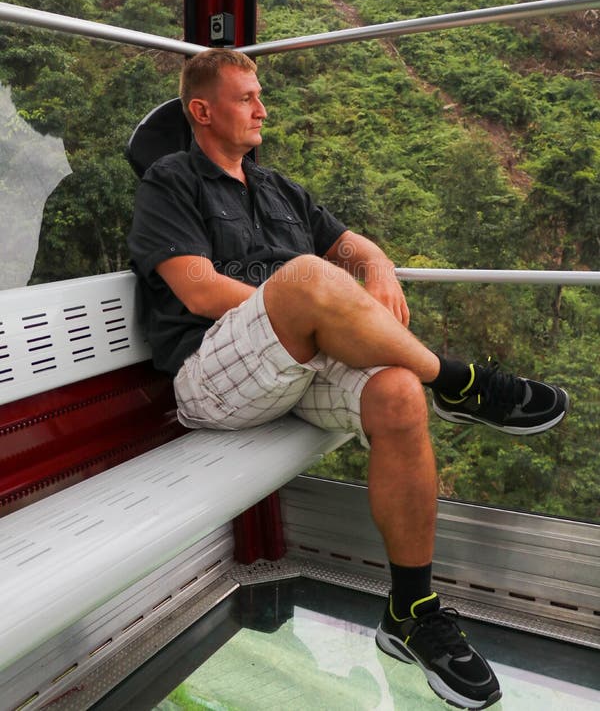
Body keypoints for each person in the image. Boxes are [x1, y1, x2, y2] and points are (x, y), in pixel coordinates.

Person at [128, 48, 568, 710]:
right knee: (304, 278)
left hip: (291, 370)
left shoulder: (278, 189)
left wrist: (380, 274)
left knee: (396, 393)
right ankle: (458, 380)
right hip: (212, 378)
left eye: (259, 93)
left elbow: (357, 248)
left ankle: (412, 610)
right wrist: (299, 302)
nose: (261, 107)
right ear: (202, 110)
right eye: (247, 96)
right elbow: (196, 291)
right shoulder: (171, 181)